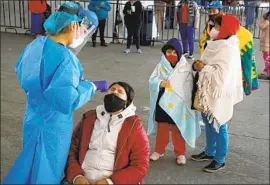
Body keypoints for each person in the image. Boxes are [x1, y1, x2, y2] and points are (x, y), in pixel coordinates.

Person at [2, 2, 105, 184]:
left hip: (33, 117)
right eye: (84, 29)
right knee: (47, 170)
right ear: (74, 25)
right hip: (53, 126)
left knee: (29, 163)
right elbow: (66, 101)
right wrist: (90, 87)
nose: (83, 34)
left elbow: (23, 73)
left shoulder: (35, 45)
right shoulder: (65, 59)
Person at [63, 82, 150, 184]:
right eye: (112, 89)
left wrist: (110, 182)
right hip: (82, 178)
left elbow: (140, 165)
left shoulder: (134, 126)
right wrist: (76, 177)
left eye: (120, 92)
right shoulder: (89, 118)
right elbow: (71, 151)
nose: (114, 93)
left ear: (127, 102)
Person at [191, 15, 244, 173]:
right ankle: (210, 151)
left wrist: (203, 67)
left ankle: (220, 159)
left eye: (216, 27)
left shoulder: (228, 48)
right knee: (208, 121)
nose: (213, 30)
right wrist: (198, 65)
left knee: (220, 123)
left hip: (220, 92)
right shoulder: (216, 43)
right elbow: (207, 61)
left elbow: (221, 76)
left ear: (225, 29)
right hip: (208, 90)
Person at [148, 38, 201, 165]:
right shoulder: (160, 66)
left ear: (179, 53)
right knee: (162, 128)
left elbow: (189, 86)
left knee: (179, 129)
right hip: (163, 103)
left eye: (174, 52)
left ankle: (180, 153)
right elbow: (152, 80)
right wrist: (160, 82)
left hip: (179, 105)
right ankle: (159, 150)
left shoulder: (185, 67)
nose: (171, 55)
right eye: (168, 52)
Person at [199, 0, 259, 96]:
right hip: (212, 60)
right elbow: (205, 39)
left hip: (223, 60)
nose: (211, 13)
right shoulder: (209, 24)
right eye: (210, 11)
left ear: (220, 11)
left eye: (214, 11)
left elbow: (244, 34)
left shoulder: (227, 22)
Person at [258, 11, 270, 79]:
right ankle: (266, 70)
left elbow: (261, 26)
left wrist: (264, 19)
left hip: (266, 42)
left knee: (266, 57)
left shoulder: (267, 21)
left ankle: (268, 71)